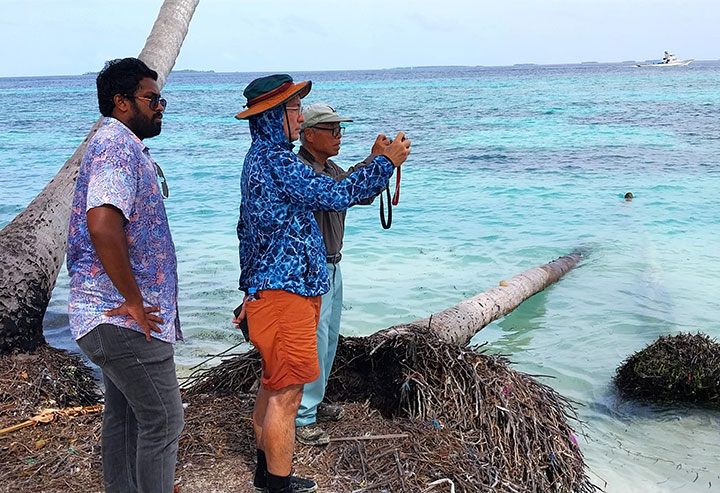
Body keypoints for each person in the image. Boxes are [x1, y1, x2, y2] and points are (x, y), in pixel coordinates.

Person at [233, 74, 410, 493]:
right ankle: (277, 484)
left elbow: (246, 230)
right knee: (286, 394)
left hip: (276, 290)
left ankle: (266, 473)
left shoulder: (261, 159)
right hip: (286, 294)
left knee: (274, 384)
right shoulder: (279, 163)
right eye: (293, 109)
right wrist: (386, 163)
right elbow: (336, 195)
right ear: (274, 116)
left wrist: (249, 286)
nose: (297, 116)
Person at [66, 57, 183, 493]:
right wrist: (133, 300)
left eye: (161, 99)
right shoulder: (115, 145)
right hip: (122, 317)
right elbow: (102, 223)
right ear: (121, 103)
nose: (160, 107)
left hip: (108, 314)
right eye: (152, 99)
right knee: (166, 420)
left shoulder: (117, 143)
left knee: (127, 416)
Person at [294, 103, 390, 446]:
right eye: (332, 130)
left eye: (340, 130)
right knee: (314, 344)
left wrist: (376, 162)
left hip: (333, 265)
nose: (338, 136)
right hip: (314, 269)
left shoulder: (328, 168)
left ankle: (313, 404)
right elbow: (341, 194)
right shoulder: (302, 170)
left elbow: (353, 191)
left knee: (329, 340)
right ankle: (302, 415)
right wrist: (380, 163)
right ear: (308, 135)